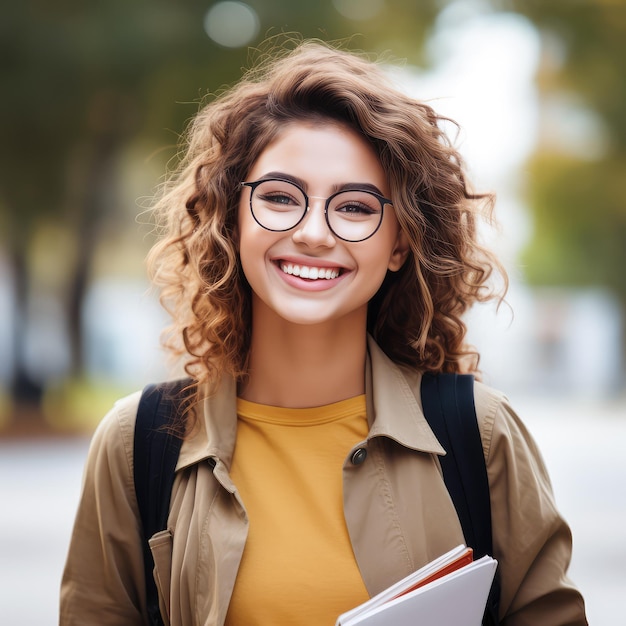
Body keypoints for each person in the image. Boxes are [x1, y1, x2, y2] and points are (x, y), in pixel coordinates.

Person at [60, 40, 587, 625]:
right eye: (281, 198)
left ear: (400, 242)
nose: (313, 232)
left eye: (356, 207)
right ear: (232, 221)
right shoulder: (137, 445)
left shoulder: (481, 437)